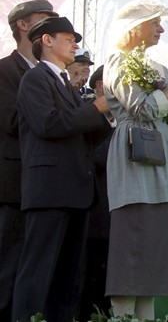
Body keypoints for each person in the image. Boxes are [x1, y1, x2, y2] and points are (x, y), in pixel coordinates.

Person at [12, 17, 112, 322]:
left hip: (75, 192)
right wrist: (95, 108)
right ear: (47, 41)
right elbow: (49, 123)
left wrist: (108, 117)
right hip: (50, 191)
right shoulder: (35, 79)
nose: (75, 44)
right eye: (68, 38)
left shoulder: (65, 85)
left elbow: (81, 135)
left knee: (68, 277)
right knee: (38, 272)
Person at [104, 0, 168, 320]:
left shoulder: (159, 68)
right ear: (134, 28)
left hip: (163, 158)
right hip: (135, 159)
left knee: (154, 254)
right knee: (133, 248)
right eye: (154, 22)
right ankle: (123, 316)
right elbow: (141, 108)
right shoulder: (117, 62)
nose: (161, 28)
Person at [0, 0, 57, 322]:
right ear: (23, 25)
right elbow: (10, 120)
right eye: (45, 18)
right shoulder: (5, 71)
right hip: (14, 186)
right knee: (8, 265)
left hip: (47, 188)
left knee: (36, 268)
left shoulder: (51, 75)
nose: (52, 24)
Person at [78, 65, 114, 321]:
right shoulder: (86, 112)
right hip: (95, 210)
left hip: (117, 209)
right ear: (100, 86)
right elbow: (95, 156)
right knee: (92, 275)